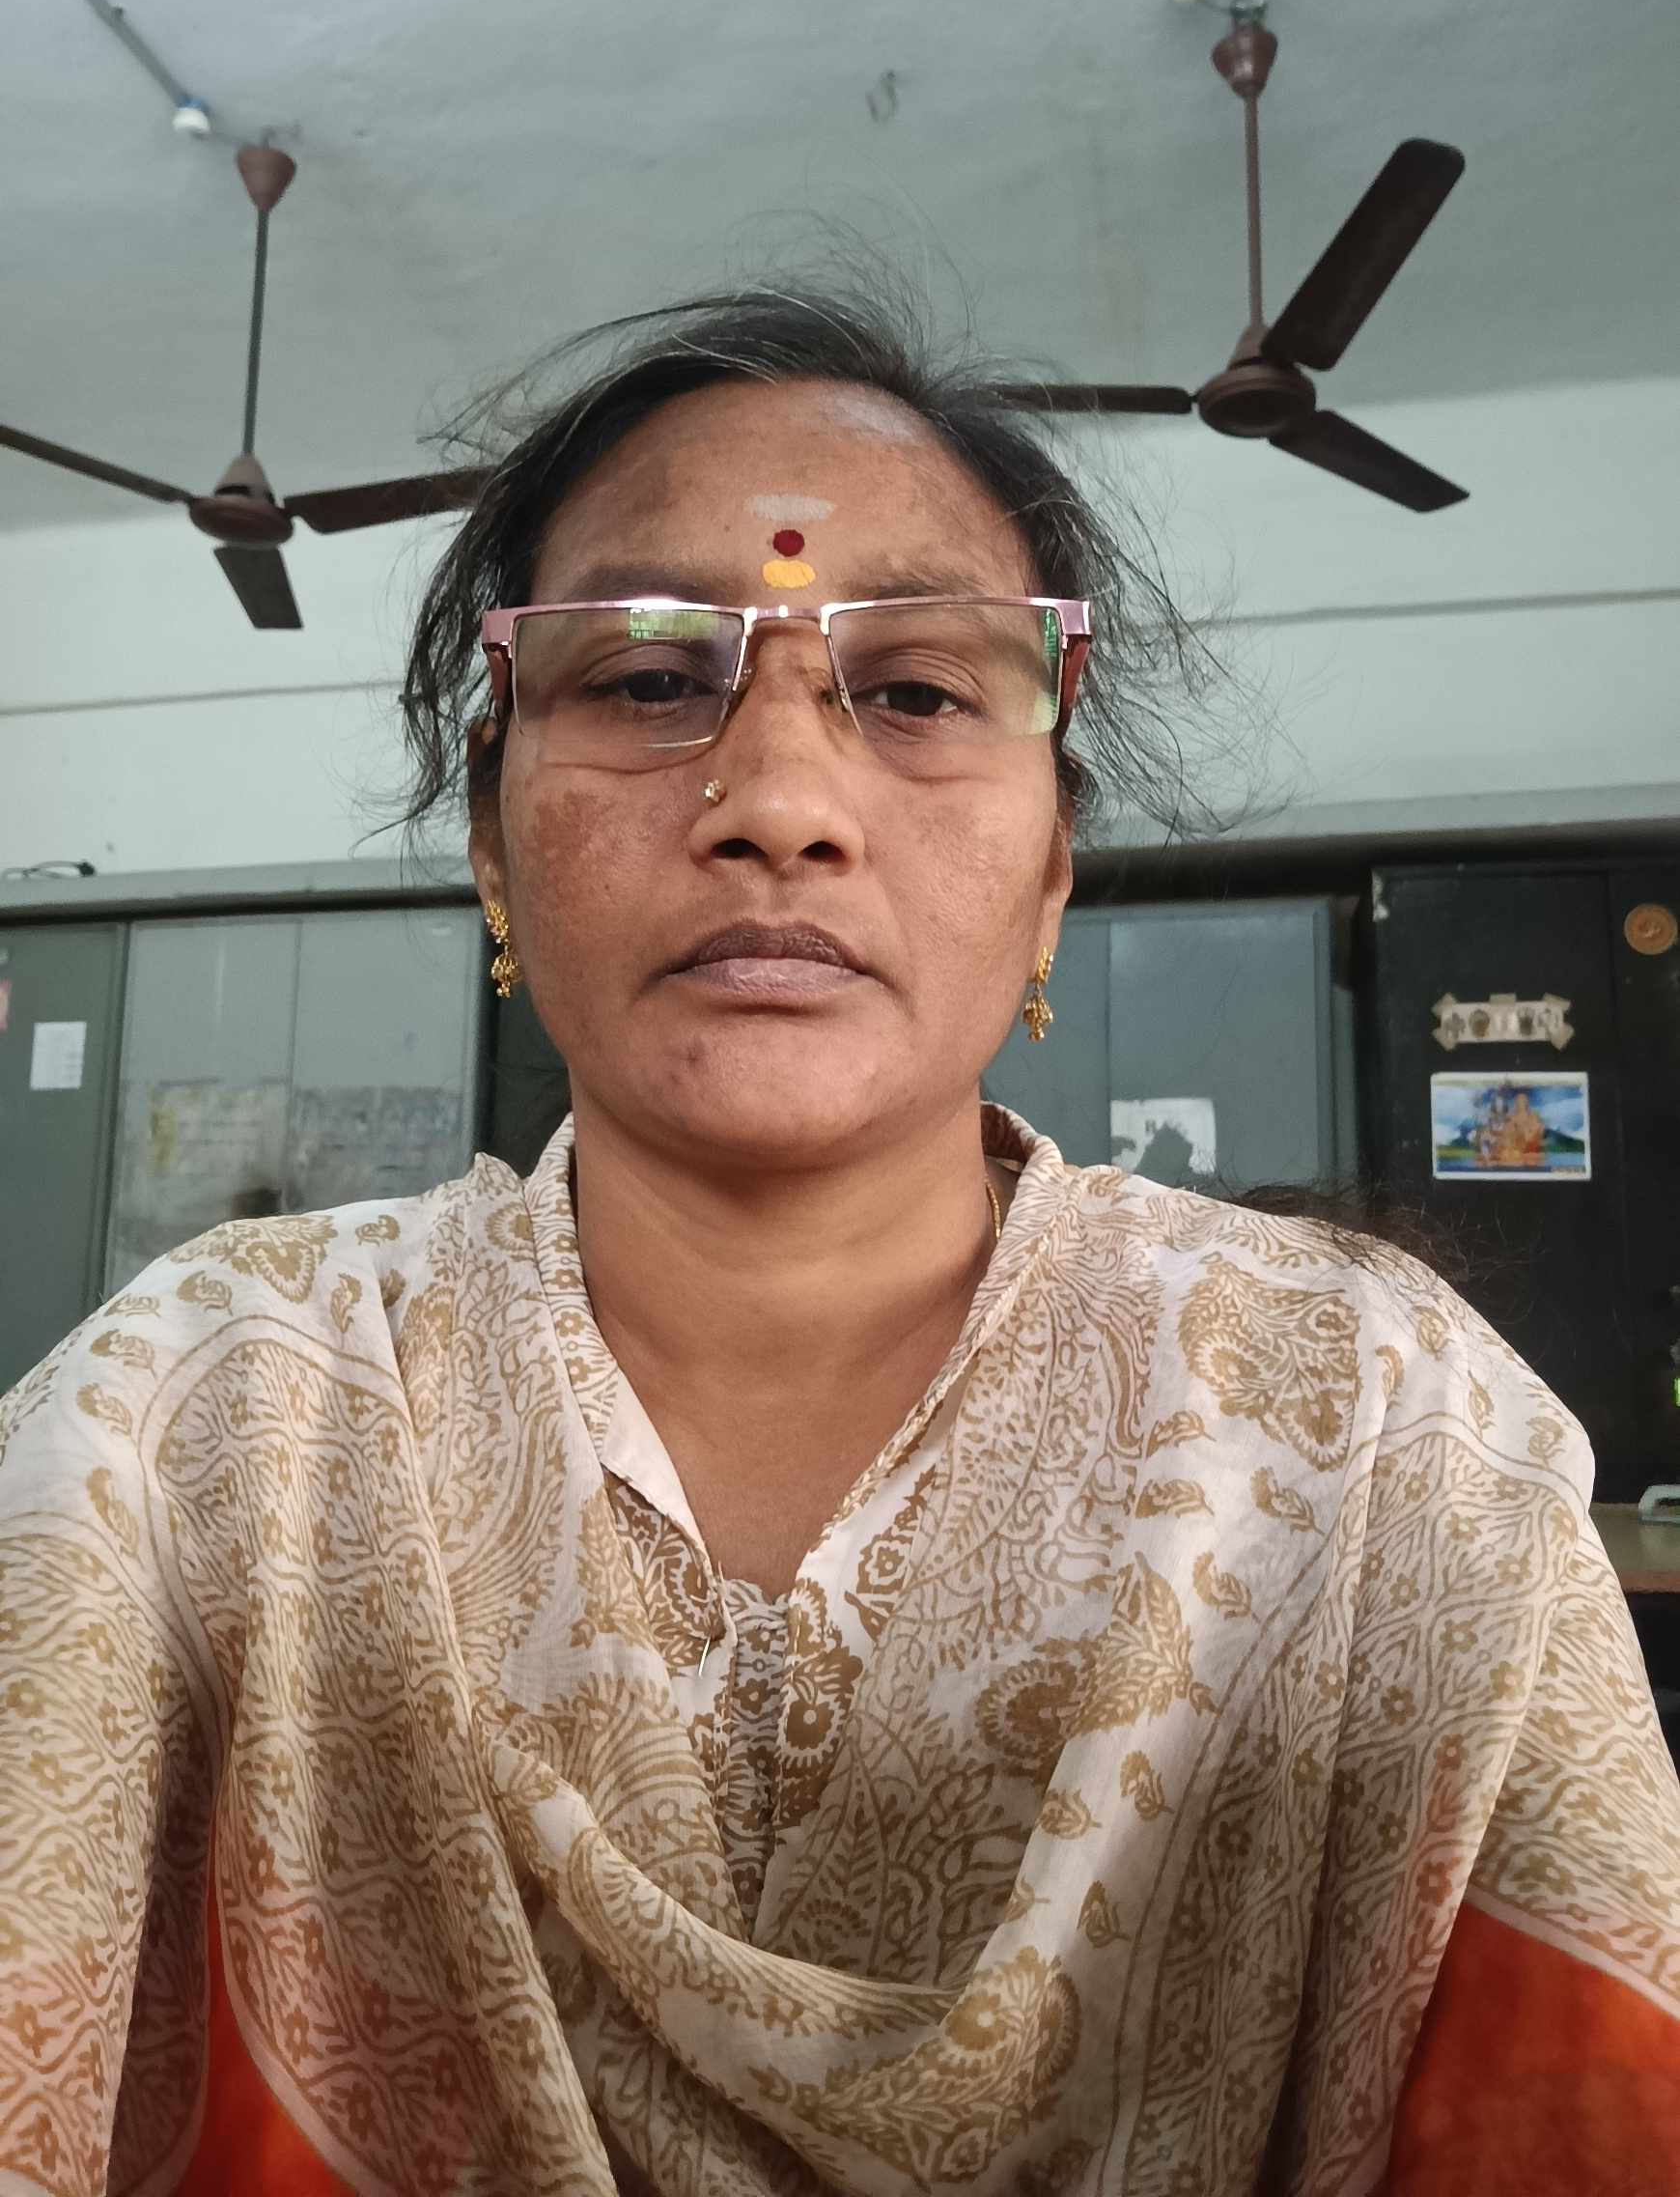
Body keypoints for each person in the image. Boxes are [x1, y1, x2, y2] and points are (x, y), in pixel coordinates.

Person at [3, 284, 1677, 2197]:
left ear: (1052, 874)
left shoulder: (1388, 1431)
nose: (782, 805)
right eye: (648, 679)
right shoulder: (188, 1426)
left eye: (919, 691)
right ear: (490, 845)